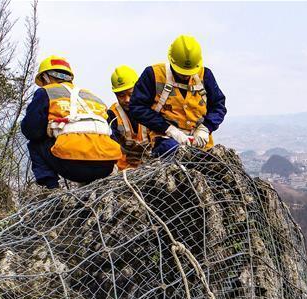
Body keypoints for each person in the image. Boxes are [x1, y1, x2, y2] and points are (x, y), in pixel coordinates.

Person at [21, 55, 122, 188]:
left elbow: (31, 130)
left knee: (35, 143)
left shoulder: (46, 92)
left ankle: (51, 189)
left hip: (73, 166)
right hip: (106, 165)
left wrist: (50, 128)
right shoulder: (92, 96)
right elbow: (110, 134)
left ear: (45, 77)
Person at [129, 34, 227, 157]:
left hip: (200, 143)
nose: (186, 76)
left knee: (210, 164)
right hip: (165, 141)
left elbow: (219, 106)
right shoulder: (153, 75)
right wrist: (169, 129)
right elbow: (137, 107)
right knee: (176, 153)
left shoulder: (205, 75)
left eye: (189, 72)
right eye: (181, 72)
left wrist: (206, 128)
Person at [107, 65, 151, 170]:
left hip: (151, 165)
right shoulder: (112, 115)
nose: (127, 100)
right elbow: (110, 145)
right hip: (123, 172)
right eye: (121, 95)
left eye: (131, 94)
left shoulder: (152, 108)